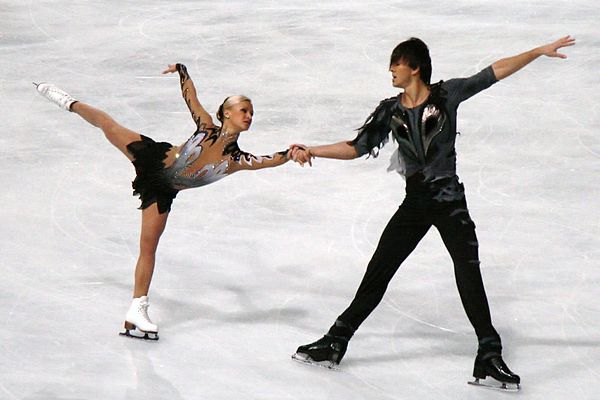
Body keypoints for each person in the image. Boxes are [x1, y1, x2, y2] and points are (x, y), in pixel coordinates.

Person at [289, 36, 575, 390]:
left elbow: (493, 72)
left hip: (449, 201)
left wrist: (534, 52)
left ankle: (489, 353)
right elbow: (356, 147)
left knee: (468, 272)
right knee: (380, 268)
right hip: (415, 203)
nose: (390, 70)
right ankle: (336, 340)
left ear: (414, 67)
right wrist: (312, 149)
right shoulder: (389, 111)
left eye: (396, 63)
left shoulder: (446, 95)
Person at [34, 63, 291, 340]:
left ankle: (137, 309)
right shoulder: (206, 127)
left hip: (162, 190)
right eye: (244, 110)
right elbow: (191, 97)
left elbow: (270, 160)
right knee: (108, 125)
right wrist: (183, 71)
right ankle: (67, 102)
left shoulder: (237, 160)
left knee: (148, 247)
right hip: (152, 157)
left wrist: (294, 153)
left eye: (252, 113)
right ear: (227, 113)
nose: (250, 116)